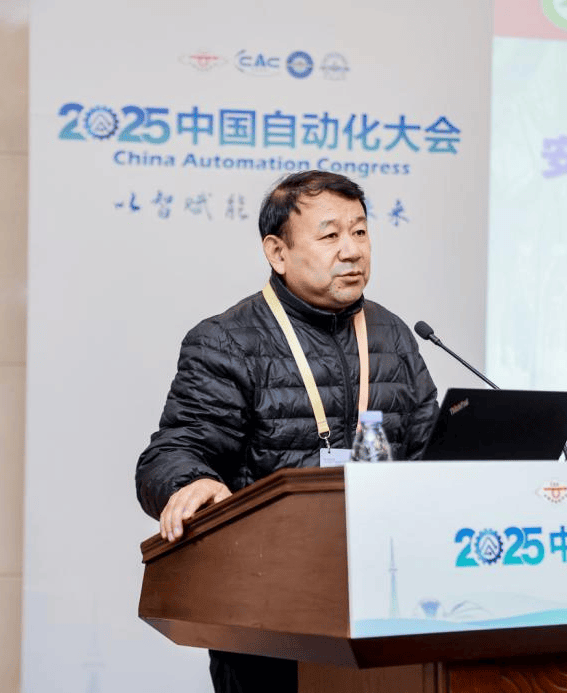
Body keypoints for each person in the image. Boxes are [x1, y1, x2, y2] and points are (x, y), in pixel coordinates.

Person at [135, 170, 439, 693]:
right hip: (268, 618)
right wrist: (190, 481)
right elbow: (174, 451)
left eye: (360, 232)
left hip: (385, 608)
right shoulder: (227, 341)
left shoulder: (392, 334)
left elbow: (429, 452)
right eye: (330, 235)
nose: (352, 250)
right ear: (277, 253)